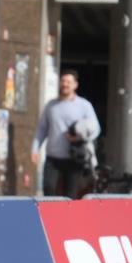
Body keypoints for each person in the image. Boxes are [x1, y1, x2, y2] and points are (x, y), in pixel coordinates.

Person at [31, 69, 100, 198]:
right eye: (63, 81)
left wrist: (79, 137)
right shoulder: (51, 106)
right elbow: (42, 128)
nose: (65, 84)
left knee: (71, 195)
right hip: (53, 158)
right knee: (48, 189)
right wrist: (35, 148)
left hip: (74, 158)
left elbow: (96, 129)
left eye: (68, 81)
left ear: (75, 85)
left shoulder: (84, 105)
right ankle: (49, 212)